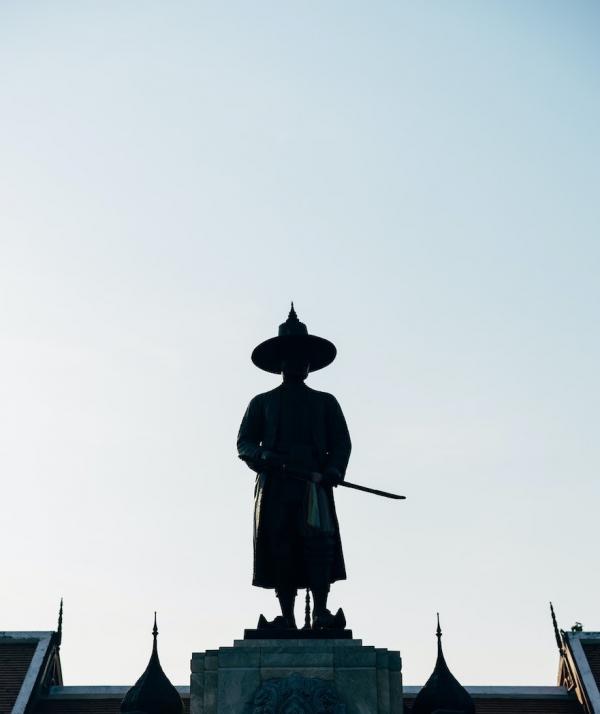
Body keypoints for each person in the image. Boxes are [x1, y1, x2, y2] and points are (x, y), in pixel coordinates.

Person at [237, 304, 351, 631]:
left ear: (310, 366)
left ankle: (321, 612)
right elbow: (244, 443)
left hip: (313, 483)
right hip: (275, 485)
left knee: (318, 546)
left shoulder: (325, 402)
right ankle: (286, 616)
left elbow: (341, 443)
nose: (298, 365)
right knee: (280, 545)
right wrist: (267, 458)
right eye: (291, 358)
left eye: (304, 359)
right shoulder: (262, 402)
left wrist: (332, 470)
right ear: (281, 364)